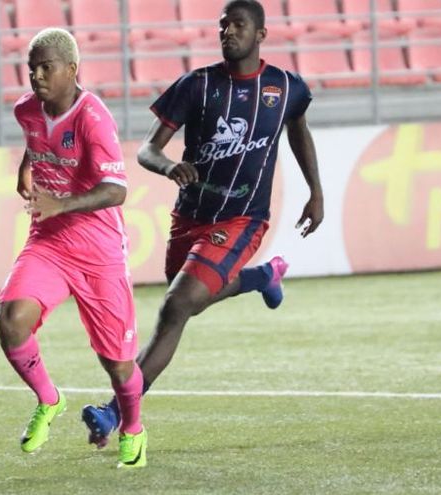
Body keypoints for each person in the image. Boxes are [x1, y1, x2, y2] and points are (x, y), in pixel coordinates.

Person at [81, 0, 324, 448]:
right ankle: (261, 277)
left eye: (238, 25)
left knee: (176, 306)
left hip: (243, 218)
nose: (228, 31)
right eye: (223, 25)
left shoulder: (286, 87)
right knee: (191, 297)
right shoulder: (197, 85)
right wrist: (169, 166)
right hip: (189, 217)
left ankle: (114, 412)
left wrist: (316, 191)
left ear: (261, 34)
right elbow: (148, 149)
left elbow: (298, 129)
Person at [0, 27, 148, 468]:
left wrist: (61, 203)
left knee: (117, 364)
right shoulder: (26, 110)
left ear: (72, 69)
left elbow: (117, 189)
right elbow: (37, 139)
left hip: (99, 251)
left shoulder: (93, 118)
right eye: (32, 69)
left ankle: (133, 429)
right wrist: (26, 167)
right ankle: (49, 399)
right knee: (11, 320)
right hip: (49, 241)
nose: (37, 76)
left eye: (47, 68)